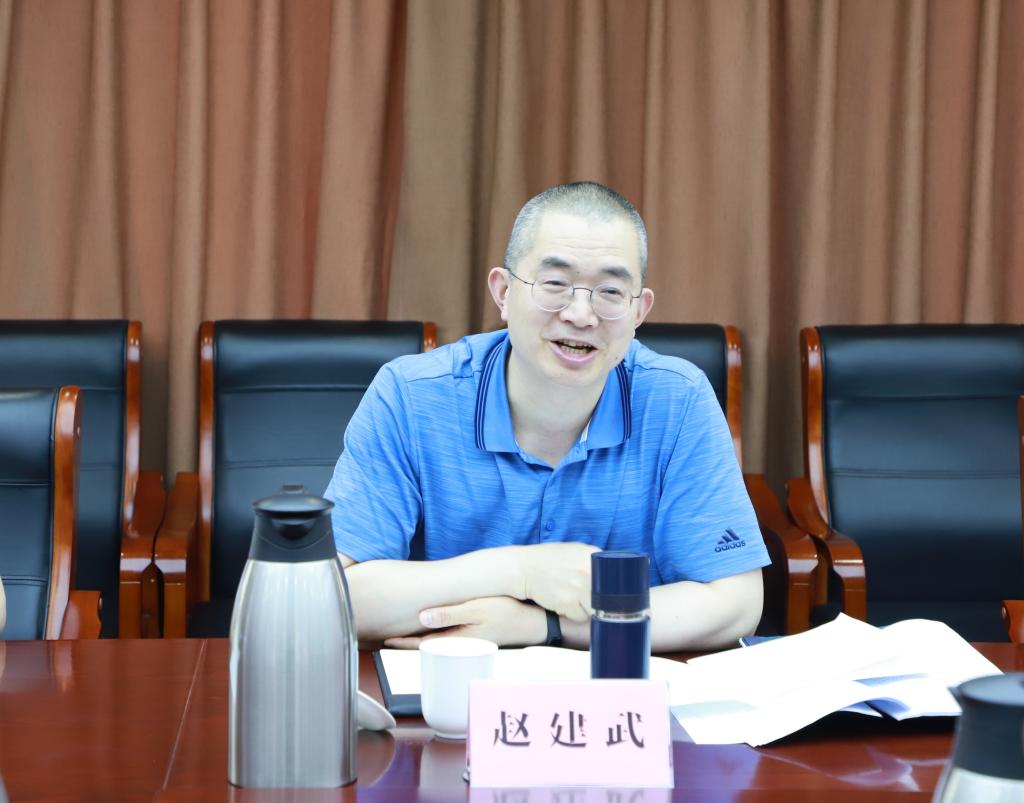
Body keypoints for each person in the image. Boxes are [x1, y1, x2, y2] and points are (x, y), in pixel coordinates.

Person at [325, 181, 769, 652]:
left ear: (639, 310)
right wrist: (518, 571)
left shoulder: (677, 399)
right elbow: (330, 598)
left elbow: (736, 602)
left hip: (616, 688)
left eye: (611, 291)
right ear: (503, 292)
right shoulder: (411, 396)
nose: (580, 315)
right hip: (451, 687)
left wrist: (543, 625)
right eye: (555, 284)